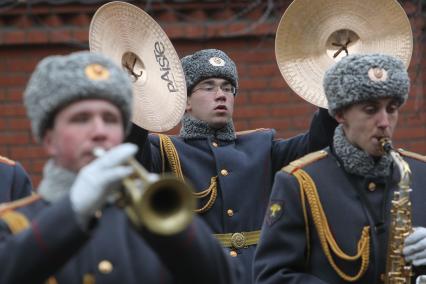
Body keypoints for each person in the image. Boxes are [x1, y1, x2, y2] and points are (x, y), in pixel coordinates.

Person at [0, 51, 237, 284]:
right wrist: (72, 210)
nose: (100, 132)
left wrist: (173, 221)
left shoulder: (155, 221)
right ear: (49, 139)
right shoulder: (13, 223)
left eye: (111, 119)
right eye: (81, 119)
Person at [127, 48, 338, 284]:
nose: (221, 95)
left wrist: (330, 95)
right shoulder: (164, 149)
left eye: (228, 88)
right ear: (185, 101)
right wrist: (139, 100)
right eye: (208, 86)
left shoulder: (262, 145)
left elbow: (318, 144)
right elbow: (131, 152)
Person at [253, 53, 426, 283]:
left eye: (392, 108)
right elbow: (272, 276)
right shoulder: (299, 182)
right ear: (340, 114)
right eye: (370, 109)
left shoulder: (421, 171)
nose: (385, 122)